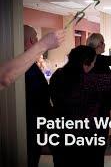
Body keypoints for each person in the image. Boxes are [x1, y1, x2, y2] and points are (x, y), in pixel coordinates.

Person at [48, 34, 111, 167]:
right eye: (92, 63)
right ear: (85, 64)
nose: (93, 67)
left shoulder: (57, 75)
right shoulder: (86, 80)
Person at [23, 25, 52, 167]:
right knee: (31, 156)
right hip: (31, 122)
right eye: (36, 37)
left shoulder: (27, 63)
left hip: (36, 121)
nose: (38, 40)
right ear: (31, 41)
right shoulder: (25, 66)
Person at [0, 30, 64, 90]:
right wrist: (45, 44)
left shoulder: (17, 60)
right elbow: (5, 78)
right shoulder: (26, 65)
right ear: (32, 40)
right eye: (36, 37)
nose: (37, 40)